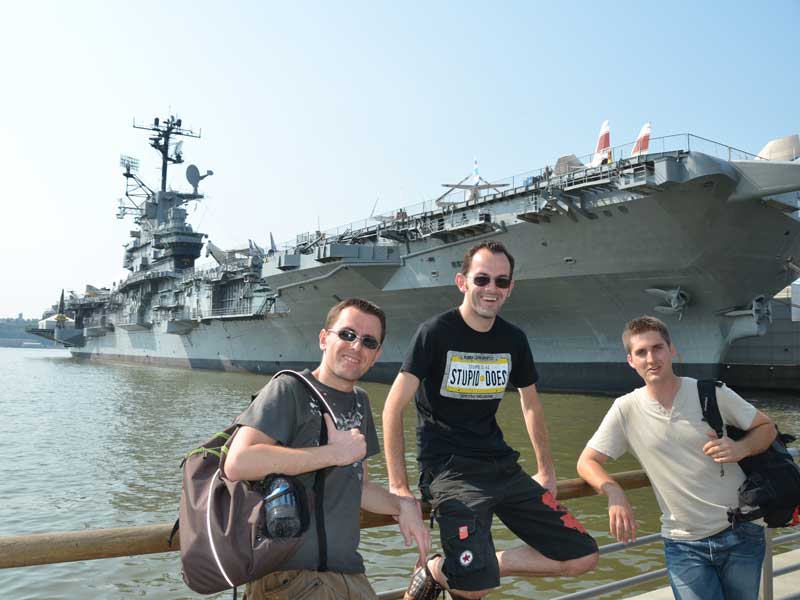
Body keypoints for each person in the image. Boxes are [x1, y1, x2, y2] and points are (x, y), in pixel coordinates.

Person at [383, 241, 599, 600]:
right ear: (462, 282)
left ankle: (448, 567)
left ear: (511, 288)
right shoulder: (435, 333)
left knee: (583, 555)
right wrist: (399, 488)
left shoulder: (513, 339)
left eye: (501, 281)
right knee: (474, 589)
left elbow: (530, 405)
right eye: (482, 279)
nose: (491, 289)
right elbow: (392, 407)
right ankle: (455, 569)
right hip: (449, 470)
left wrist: (546, 470)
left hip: (502, 467)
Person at [226, 298, 431, 600]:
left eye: (368, 341)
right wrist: (332, 454)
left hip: (347, 572)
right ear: (324, 339)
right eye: (346, 334)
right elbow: (238, 462)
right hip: (292, 577)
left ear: (376, 355)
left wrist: (402, 506)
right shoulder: (289, 389)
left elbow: (356, 487)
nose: (356, 346)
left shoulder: (359, 401)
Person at [577, 315, 777, 600]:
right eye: (641, 352)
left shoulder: (711, 392)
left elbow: (767, 427)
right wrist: (614, 492)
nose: (651, 358)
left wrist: (740, 448)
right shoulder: (625, 409)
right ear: (630, 361)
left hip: (740, 532)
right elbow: (587, 461)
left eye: (657, 348)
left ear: (672, 350)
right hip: (683, 543)